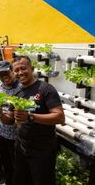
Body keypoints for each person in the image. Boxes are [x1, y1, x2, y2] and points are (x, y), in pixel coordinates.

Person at [12, 56, 65, 185]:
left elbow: (59, 117)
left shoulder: (46, 89)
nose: (20, 73)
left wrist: (30, 117)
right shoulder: (17, 92)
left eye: (23, 68)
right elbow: (13, 120)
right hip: (22, 147)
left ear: (32, 68)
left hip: (42, 151)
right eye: (16, 70)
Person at [0, 61, 21, 185]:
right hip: (1, 133)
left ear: (12, 71)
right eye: (0, 74)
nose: (4, 76)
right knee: (6, 164)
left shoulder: (21, 87)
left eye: (6, 73)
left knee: (18, 168)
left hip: (17, 137)